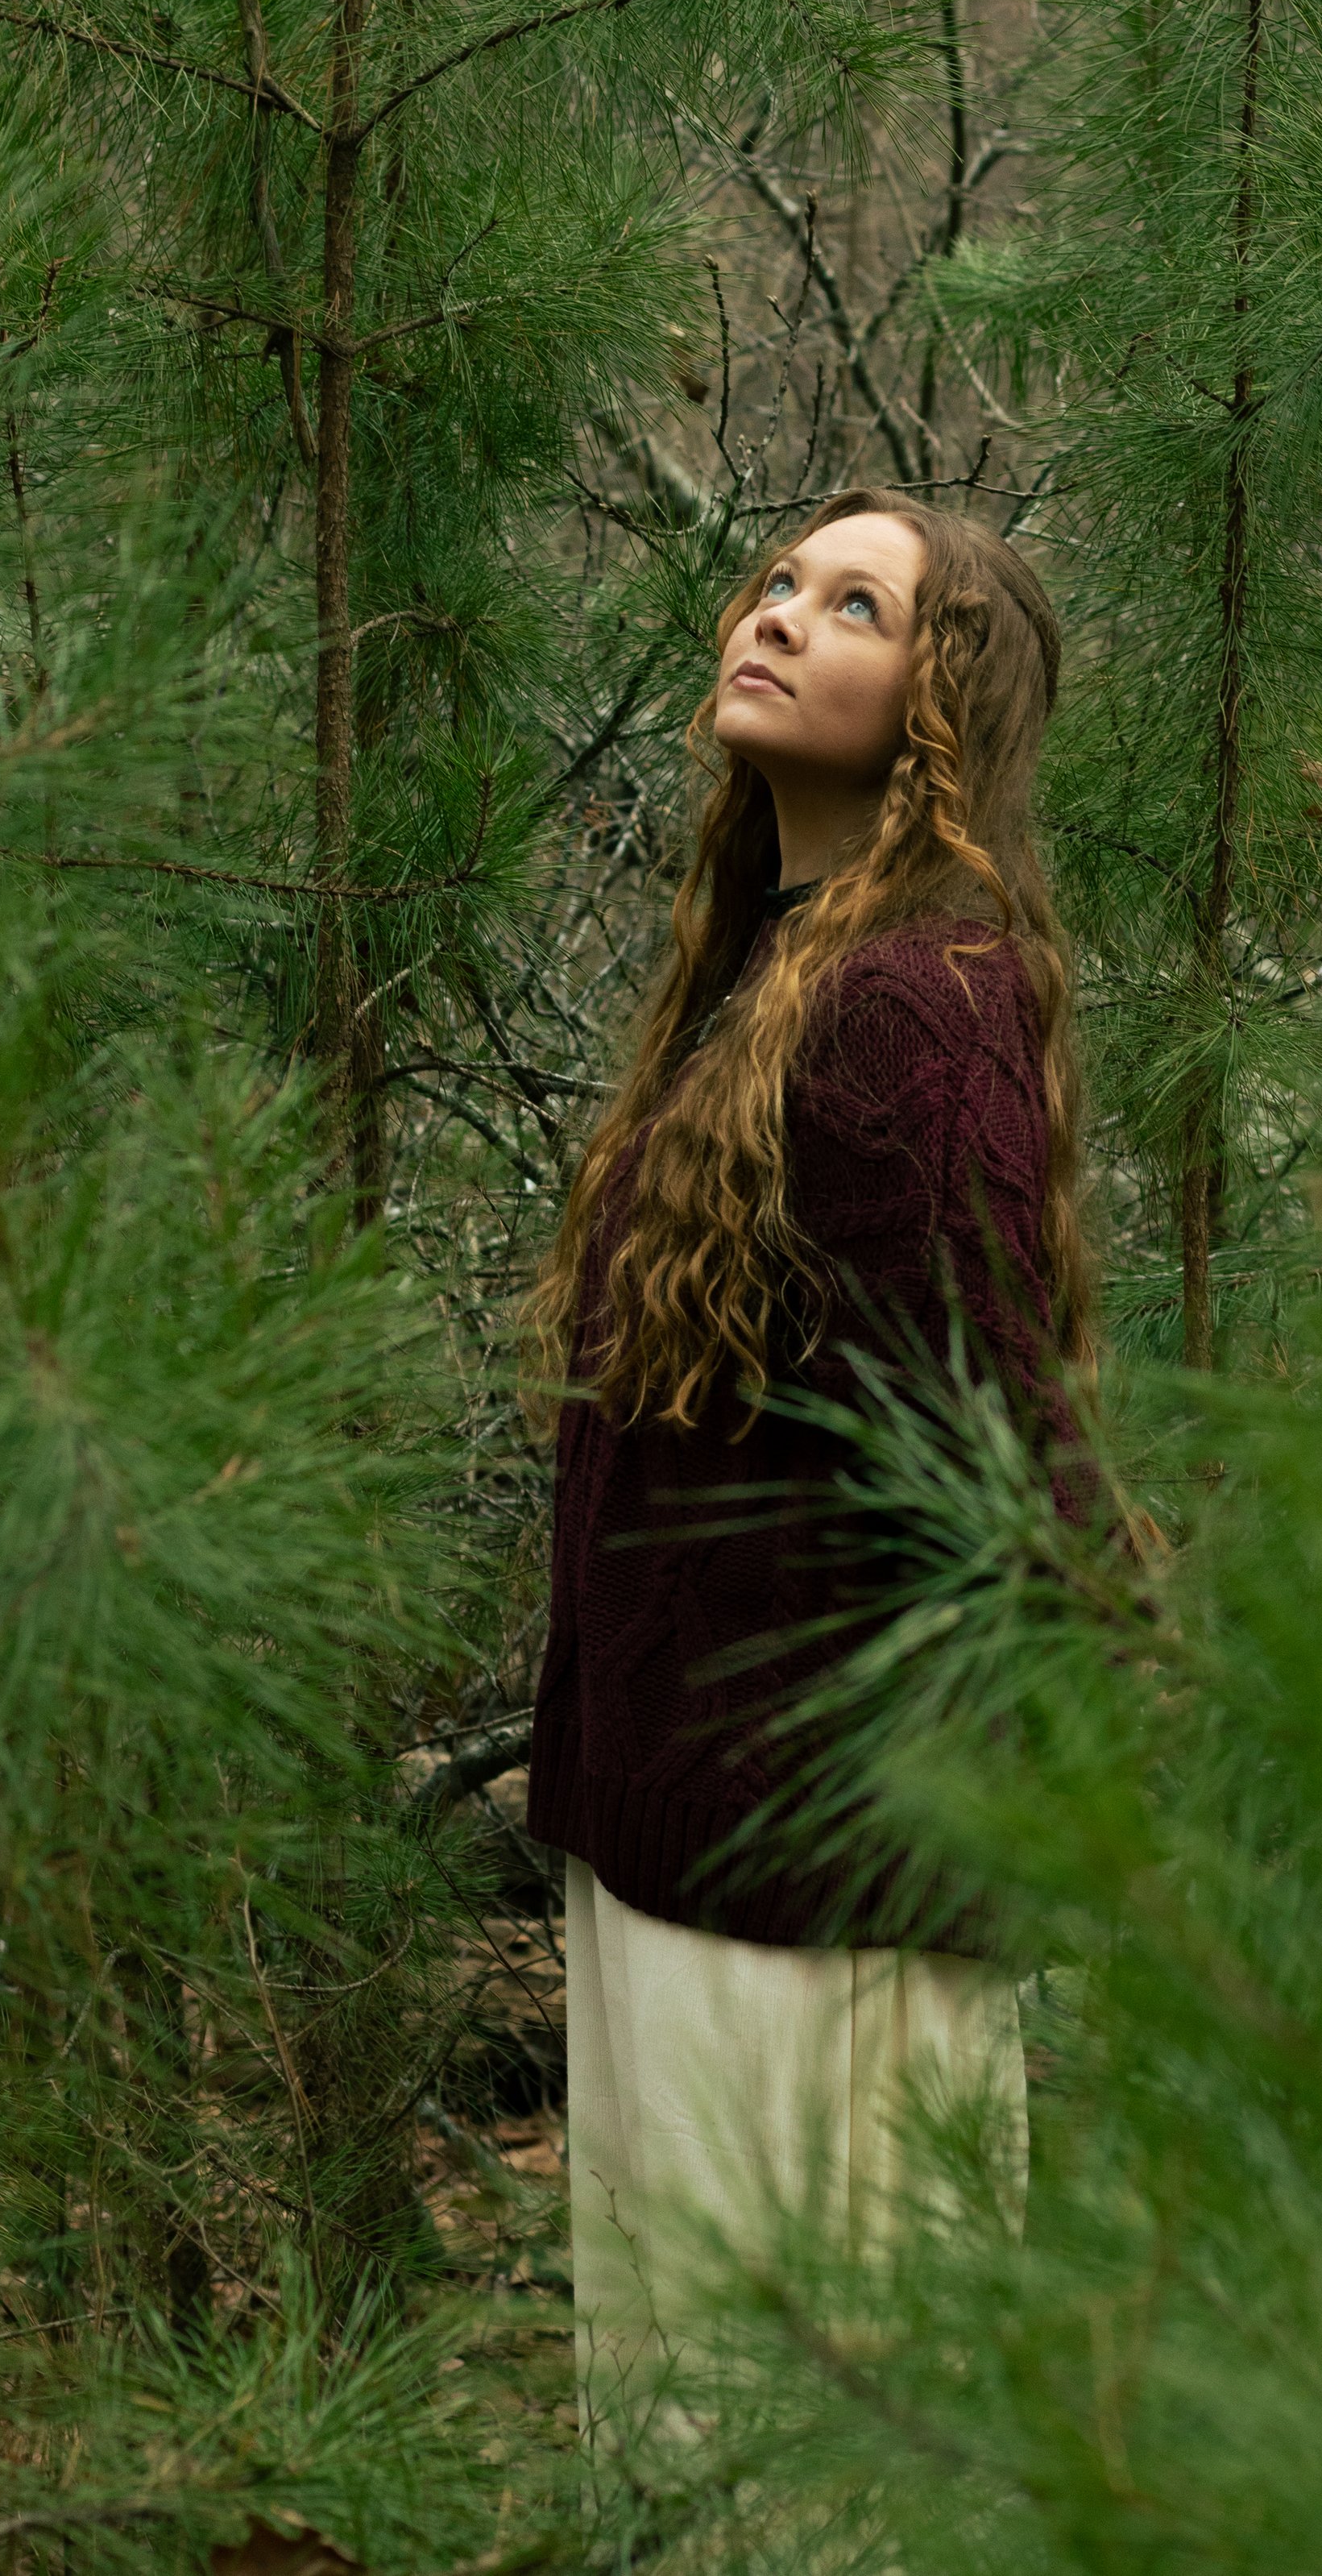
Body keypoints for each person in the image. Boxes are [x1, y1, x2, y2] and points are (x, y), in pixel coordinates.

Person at [524, 486, 1092, 2448]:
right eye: (777, 580)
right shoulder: (768, 969)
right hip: (680, 1829)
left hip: (813, 1869)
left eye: (854, 605)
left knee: (795, 2466)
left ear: (942, 704)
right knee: (672, 2434)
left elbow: (989, 1437)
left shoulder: (910, 1004)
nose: (774, 614)